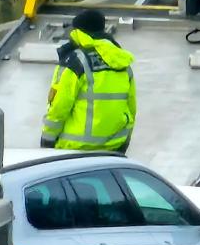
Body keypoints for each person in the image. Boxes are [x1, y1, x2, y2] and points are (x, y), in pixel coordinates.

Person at [40, 9, 137, 153]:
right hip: (114, 146)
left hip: (76, 149)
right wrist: (124, 140)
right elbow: (131, 107)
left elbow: (59, 107)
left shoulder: (76, 61)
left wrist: (47, 141)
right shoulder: (121, 61)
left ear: (78, 32)